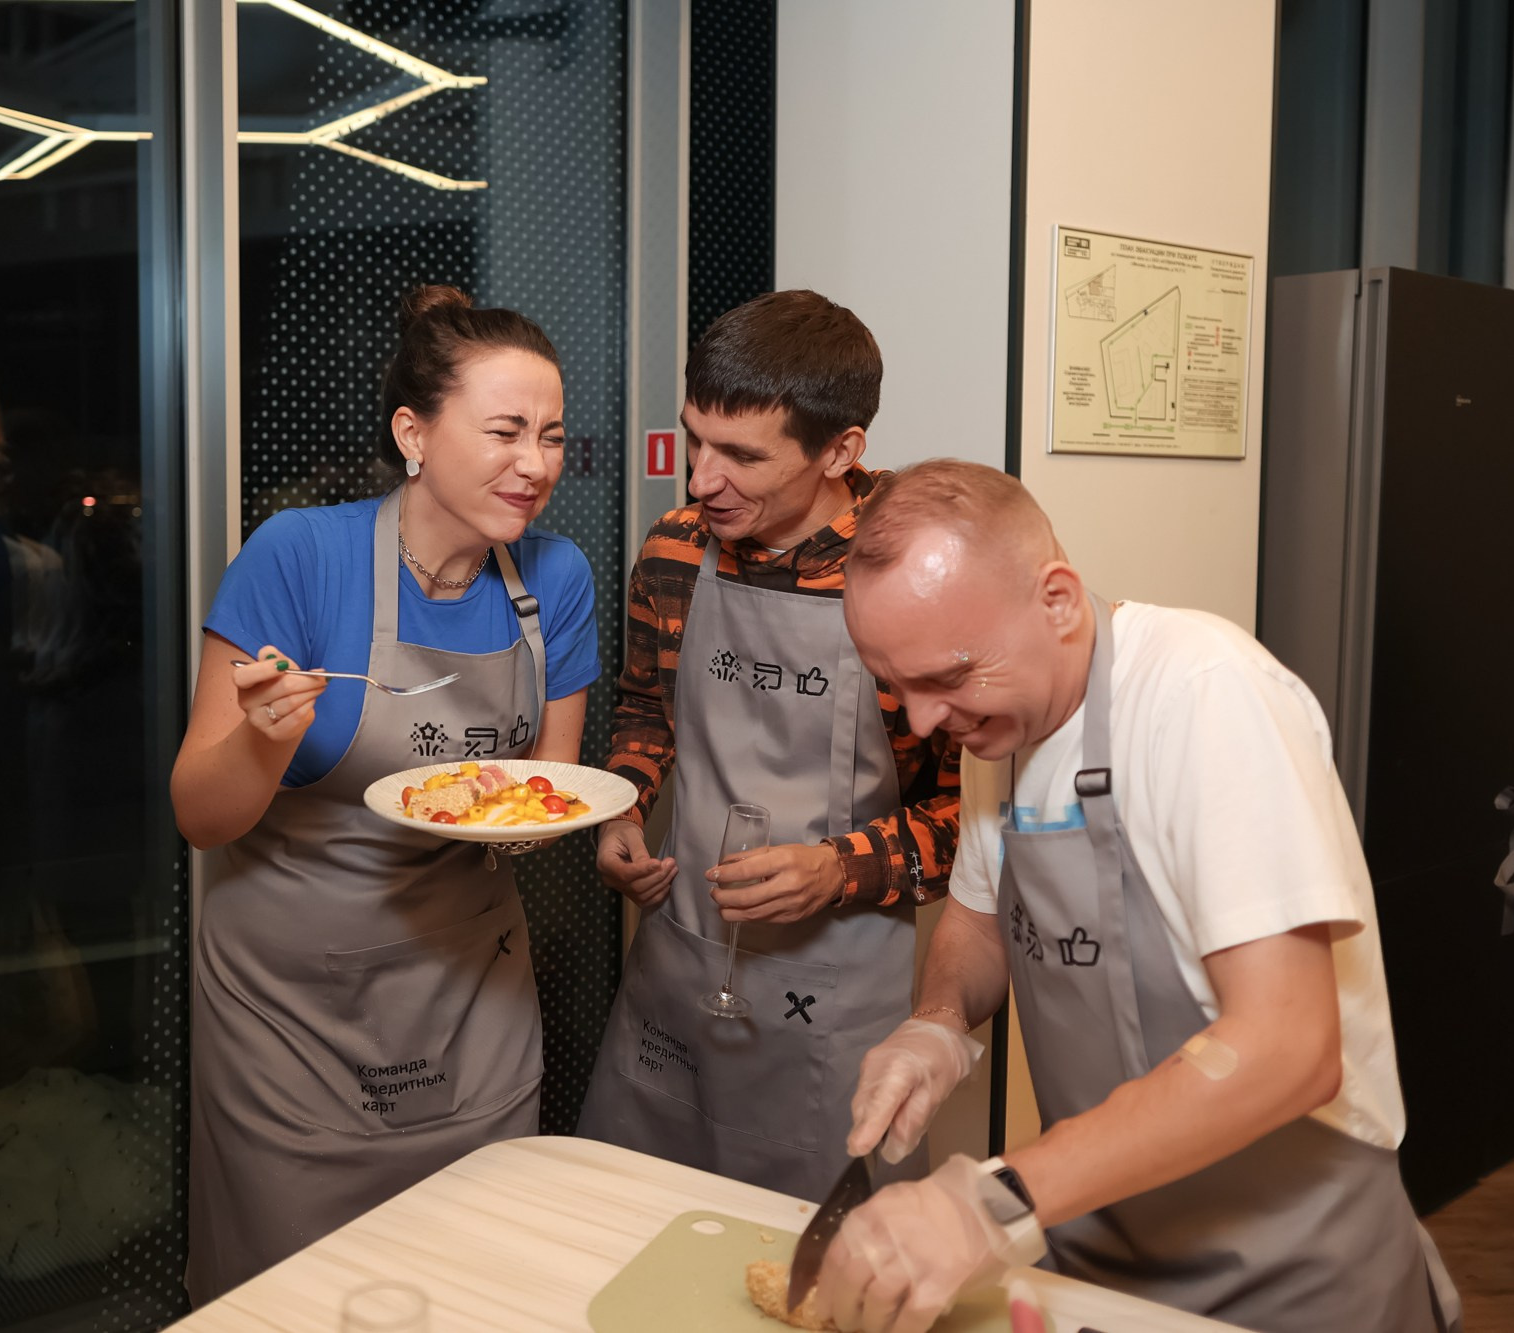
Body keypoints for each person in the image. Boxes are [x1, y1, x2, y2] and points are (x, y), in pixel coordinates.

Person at [819, 459, 1460, 1333]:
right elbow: (978, 922)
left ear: (1058, 600)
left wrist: (991, 1200)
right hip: (1103, 1255)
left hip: (1296, 1271)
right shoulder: (995, 733)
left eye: (948, 677)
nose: (925, 721)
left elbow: (1289, 1044)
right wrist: (934, 1022)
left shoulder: (1204, 696)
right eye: (897, 686)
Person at [175, 285, 601, 1300]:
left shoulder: (556, 579)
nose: (535, 463)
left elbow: (546, 795)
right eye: (504, 431)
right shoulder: (300, 555)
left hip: (471, 995)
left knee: (471, 1282)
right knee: (294, 1297)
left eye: (549, 435)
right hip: (292, 1014)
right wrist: (263, 740)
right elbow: (200, 814)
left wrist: (525, 821)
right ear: (414, 432)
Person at [575, 290, 961, 1200]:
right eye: (695, 439)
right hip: (683, 956)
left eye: (742, 455)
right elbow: (644, 710)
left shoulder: (913, 577)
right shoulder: (675, 551)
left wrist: (837, 868)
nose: (701, 478)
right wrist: (625, 805)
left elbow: (968, 821)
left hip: (838, 984)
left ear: (841, 450)